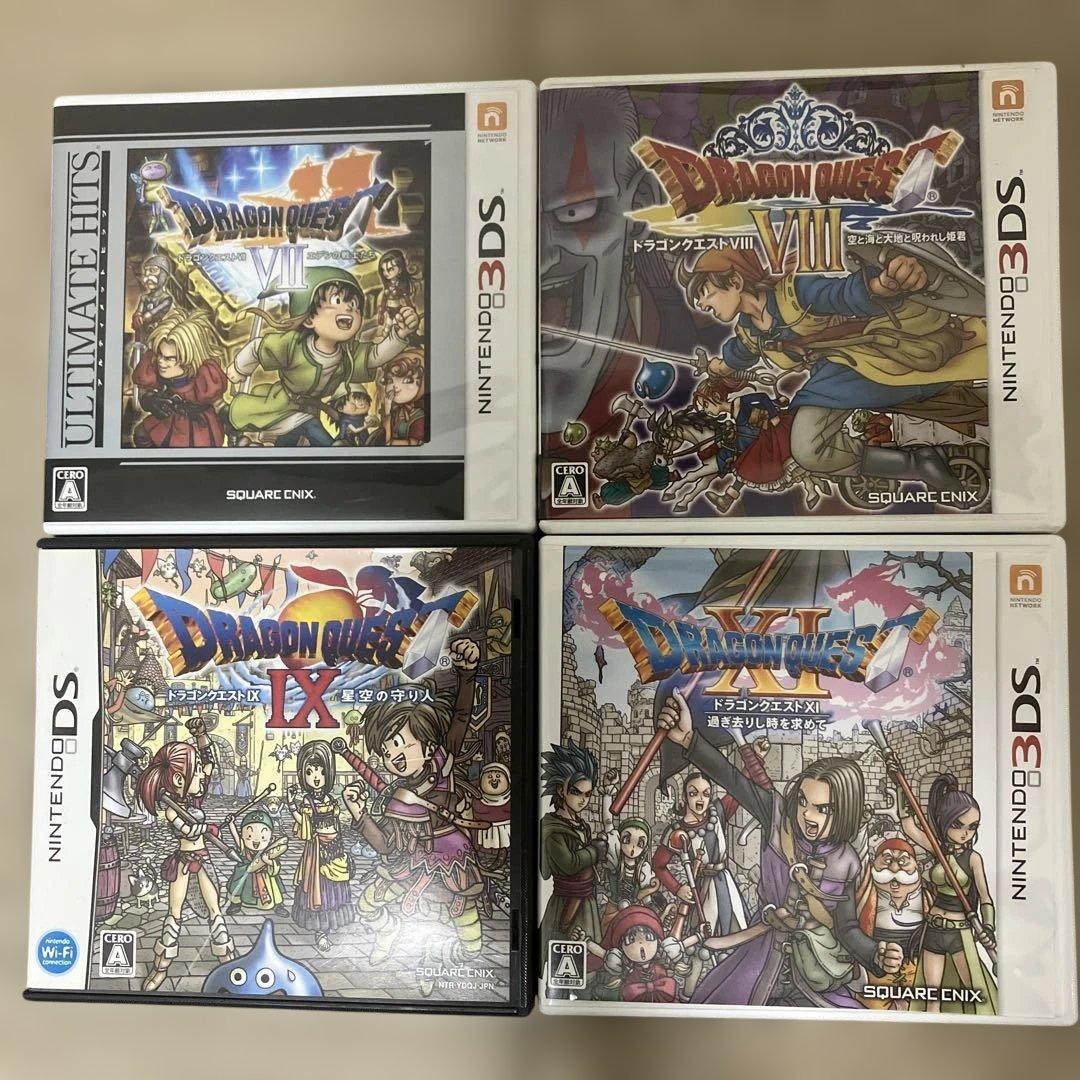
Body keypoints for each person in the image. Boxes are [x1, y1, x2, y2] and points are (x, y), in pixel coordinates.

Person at [655, 688, 903, 1007]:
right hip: (761, 959)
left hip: (817, 971)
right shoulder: (778, 819)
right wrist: (690, 740)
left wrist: (875, 953)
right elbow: (732, 780)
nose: (807, 815)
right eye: (803, 802)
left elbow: (847, 928)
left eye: (822, 809)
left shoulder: (847, 860)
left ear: (845, 810)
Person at [677, 247, 987, 491]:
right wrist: (720, 367)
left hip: (866, 358)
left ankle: (918, 462)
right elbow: (738, 354)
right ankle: (916, 463)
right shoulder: (749, 330)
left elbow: (840, 294)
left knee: (807, 447)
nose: (702, 304)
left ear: (735, 282)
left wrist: (883, 284)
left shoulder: (794, 293)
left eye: (706, 294)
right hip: (836, 376)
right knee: (809, 450)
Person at [345, 640, 484, 993]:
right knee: (368, 905)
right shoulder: (397, 799)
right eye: (386, 750)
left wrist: (468, 674)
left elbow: (461, 718)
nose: (393, 756)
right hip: (410, 864)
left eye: (400, 743)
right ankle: (393, 933)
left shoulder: (442, 763)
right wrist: (360, 815)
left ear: (426, 741)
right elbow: (386, 846)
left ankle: (440, 957)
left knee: (469, 937)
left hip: (451, 860)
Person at [227, 266, 418, 447]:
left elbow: (374, 356)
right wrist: (239, 369)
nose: (349, 308)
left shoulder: (347, 352)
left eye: (354, 304)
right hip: (283, 405)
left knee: (289, 443)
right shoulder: (293, 344)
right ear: (309, 318)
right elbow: (258, 347)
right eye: (337, 301)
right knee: (311, 427)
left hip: (310, 409)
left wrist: (399, 334)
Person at [136, 717, 234, 991]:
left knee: (216, 913)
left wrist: (201, 736)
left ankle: (228, 965)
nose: (202, 775)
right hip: (182, 863)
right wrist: (208, 827)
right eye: (196, 772)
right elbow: (189, 831)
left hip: (202, 860)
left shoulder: (194, 798)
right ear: (179, 779)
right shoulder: (171, 809)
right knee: (174, 916)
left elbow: (209, 764)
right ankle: (160, 970)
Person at [896, 772, 997, 1014]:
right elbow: (909, 827)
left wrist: (988, 927)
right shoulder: (938, 849)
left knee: (974, 993)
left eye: (972, 827)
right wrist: (899, 784)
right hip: (933, 930)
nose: (965, 833)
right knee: (931, 998)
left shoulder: (973, 859)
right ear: (945, 820)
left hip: (960, 932)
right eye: (957, 825)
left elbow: (985, 898)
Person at [539, 740, 606, 978]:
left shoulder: (580, 824)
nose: (583, 800)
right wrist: (595, 850)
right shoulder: (551, 828)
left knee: (589, 965)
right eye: (576, 792)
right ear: (561, 790)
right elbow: (569, 863)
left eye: (587, 794)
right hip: (565, 903)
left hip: (585, 901)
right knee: (564, 963)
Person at [288, 739, 354, 945]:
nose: (316, 777)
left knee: (335, 886)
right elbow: (304, 824)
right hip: (317, 850)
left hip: (335, 848)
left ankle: (332, 925)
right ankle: (320, 931)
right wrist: (291, 805)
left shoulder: (330, 800)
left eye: (321, 771)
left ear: (328, 772)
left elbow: (338, 823)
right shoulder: (308, 802)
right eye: (310, 772)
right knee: (319, 887)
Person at [132, 311, 227, 448]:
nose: (161, 362)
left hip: (199, 427)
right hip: (169, 416)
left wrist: (230, 417)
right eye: (160, 354)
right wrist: (151, 400)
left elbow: (219, 405)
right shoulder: (154, 365)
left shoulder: (205, 376)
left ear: (188, 359)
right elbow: (143, 393)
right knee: (141, 434)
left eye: (169, 358)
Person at [225, 808, 285, 915]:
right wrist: (231, 824)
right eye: (249, 836)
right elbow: (236, 837)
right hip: (246, 873)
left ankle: (277, 905)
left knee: (274, 886)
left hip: (265, 876)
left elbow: (276, 866)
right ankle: (236, 903)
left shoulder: (269, 851)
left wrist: (268, 861)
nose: (256, 841)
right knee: (238, 881)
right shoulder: (244, 849)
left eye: (263, 837)